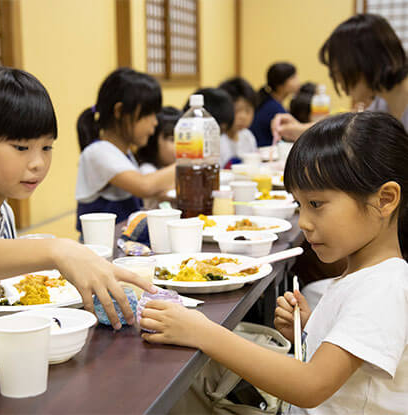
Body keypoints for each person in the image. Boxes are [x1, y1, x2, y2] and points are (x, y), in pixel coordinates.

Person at [140, 111, 408, 413]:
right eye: (300, 204)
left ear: (385, 200)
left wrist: (202, 332)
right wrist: (309, 331)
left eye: (316, 204)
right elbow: (348, 369)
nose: (304, 222)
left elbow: (311, 386)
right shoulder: (366, 276)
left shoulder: (384, 287)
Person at [0, 66, 154, 327]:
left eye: (46, 147)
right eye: (21, 147)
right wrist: (58, 249)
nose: (38, 162)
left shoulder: (3, 212)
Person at [272, 13, 408, 141]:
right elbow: (347, 128)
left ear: (365, 62)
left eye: (338, 71)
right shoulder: (381, 100)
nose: (338, 81)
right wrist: (297, 129)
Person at [75, 68, 175, 232]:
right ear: (120, 111)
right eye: (149, 114)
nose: (155, 122)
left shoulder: (123, 153)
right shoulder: (98, 152)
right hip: (101, 246)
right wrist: (188, 161)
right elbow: (144, 186)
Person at [136, 106, 181, 209]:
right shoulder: (147, 170)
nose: (180, 146)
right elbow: (164, 194)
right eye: (172, 140)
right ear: (152, 142)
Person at [250, 62, 300, 147]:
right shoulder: (273, 107)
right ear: (281, 84)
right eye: (293, 77)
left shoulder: (270, 102)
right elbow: (292, 135)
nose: (298, 81)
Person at [218, 77, 258, 168]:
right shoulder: (218, 141)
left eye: (248, 111)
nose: (243, 117)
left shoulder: (248, 136)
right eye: (236, 110)